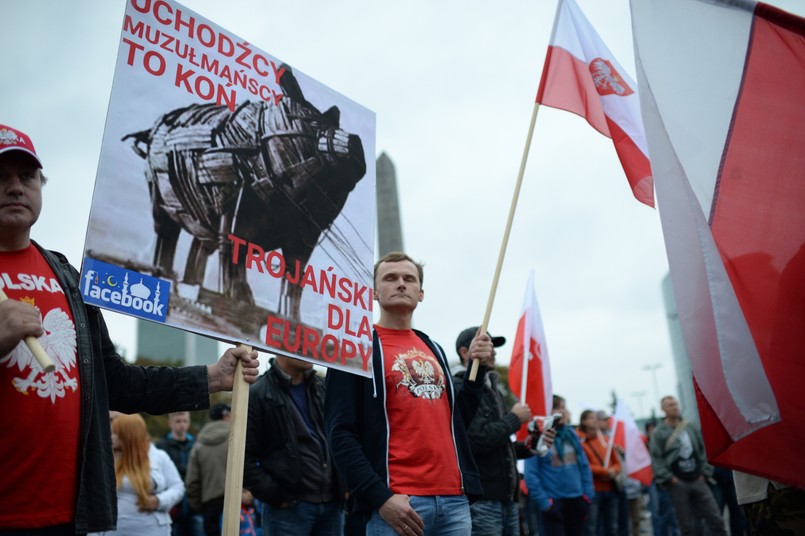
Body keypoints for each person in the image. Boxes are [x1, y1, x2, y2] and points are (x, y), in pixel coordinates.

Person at [0, 124, 260, 535]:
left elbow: (117, 381)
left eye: (26, 176)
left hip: (70, 515)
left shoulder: (67, 276)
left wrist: (213, 377)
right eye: (2, 178)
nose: (15, 187)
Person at [324, 251, 495, 536]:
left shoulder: (434, 348)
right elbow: (340, 433)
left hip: (454, 502)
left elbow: (456, 424)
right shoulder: (355, 348)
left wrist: (473, 375)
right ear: (374, 293)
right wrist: (380, 497)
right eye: (390, 278)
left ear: (421, 293)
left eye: (409, 278)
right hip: (398, 505)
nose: (401, 284)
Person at [243, 355, 345, 535]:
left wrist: (345, 485)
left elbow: (339, 438)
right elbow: (243, 458)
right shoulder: (258, 393)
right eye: (301, 341)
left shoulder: (321, 386)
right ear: (280, 346)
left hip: (332, 506)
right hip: (287, 510)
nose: (310, 350)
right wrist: (277, 496)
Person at [452, 325, 531, 536]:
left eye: (493, 346)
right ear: (465, 352)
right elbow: (476, 440)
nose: (493, 350)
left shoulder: (492, 389)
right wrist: (515, 419)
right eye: (487, 344)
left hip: (507, 498)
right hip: (483, 499)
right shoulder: (459, 388)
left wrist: (531, 446)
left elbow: (499, 443)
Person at [648, 396, 726, 536]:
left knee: (715, 519)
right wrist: (671, 479)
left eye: (675, 404)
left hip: (698, 479)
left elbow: (703, 450)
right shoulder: (659, 432)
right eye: (670, 405)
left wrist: (704, 473)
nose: (674, 407)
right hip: (678, 484)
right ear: (663, 409)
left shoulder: (689, 426)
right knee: (687, 525)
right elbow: (656, 459)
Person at [95, 413, 185, 535]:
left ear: (128, 435)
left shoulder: (159, 457)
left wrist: (159, 500)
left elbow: (178, 487)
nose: (111, 437)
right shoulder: (106, 458)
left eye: (115, 433)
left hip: (152, 529)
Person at [524, 394, 594, 536]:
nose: (562, 411)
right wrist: (545, 503)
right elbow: (531, 475)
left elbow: (584, 467)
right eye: (557, 407)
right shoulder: (539, 437)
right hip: (554, 504)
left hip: (578, 500)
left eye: (564, 407)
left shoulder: (572, 435)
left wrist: (587, 496)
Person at [185, 403, 231, 536]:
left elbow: (192, 483)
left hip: (210, 507)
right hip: (239, 504)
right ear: (226, 416)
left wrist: (202, 509)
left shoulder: (198, 445)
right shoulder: (238, 439)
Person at [156, 412, 204, 536]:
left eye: (184, 421)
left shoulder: (197, 444)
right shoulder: (162, 446)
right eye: (178, 421)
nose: (182, 425)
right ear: (170, 423)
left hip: (194, 505)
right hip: (172, 507)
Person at [577, 410, 620, 536]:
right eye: (591, 417)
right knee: (592, 528)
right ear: (583, 421)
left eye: (596, 418)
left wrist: (614, 471)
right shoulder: (580, 442)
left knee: (612, 527)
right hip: (593, 490)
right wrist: (605, 472)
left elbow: (617, 462)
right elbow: (585, 466)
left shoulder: (606, 440)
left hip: (610, 490)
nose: (595, 420)